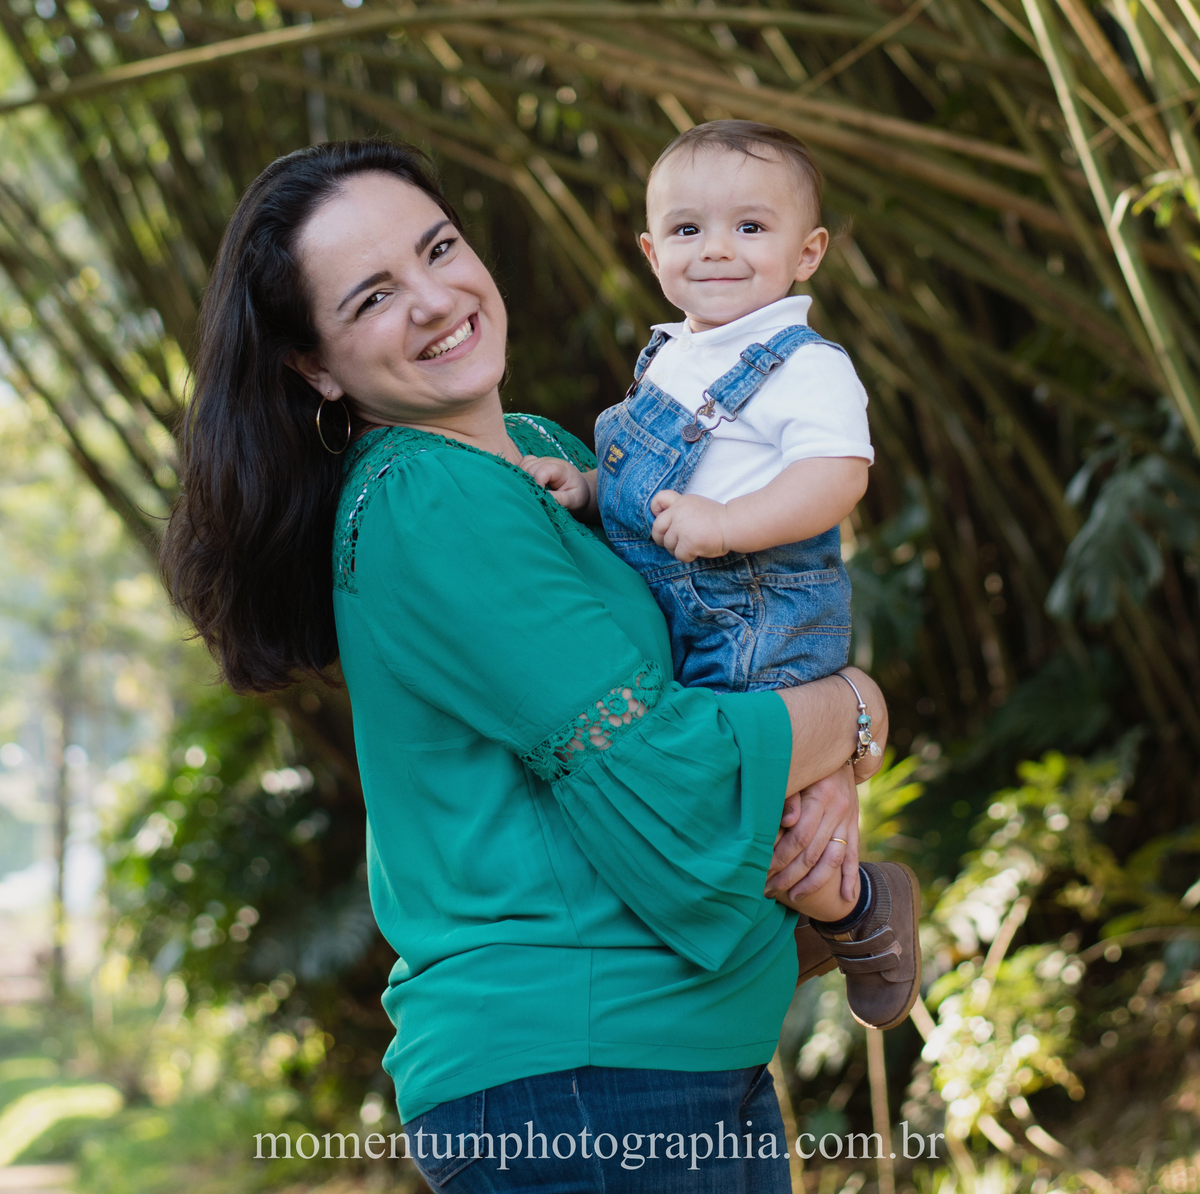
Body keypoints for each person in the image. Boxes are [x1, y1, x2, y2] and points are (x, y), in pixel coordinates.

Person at [162, 138, 891, 1192]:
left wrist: (820, 767)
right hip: (579, 1082)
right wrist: (857, 709)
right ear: (312, 364)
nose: (433, 297)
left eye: (439, 247)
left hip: (662, 1064)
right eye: (371, 297)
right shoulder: (427, 498)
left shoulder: (544, 453)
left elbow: (724, 656)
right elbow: (673, 772)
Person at [520, 121, 920, 1030]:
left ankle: (857, 915)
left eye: (751, 228)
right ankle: (809, 919)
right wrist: (586, 487)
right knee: (696, 785)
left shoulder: (805, 365)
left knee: (748, 800)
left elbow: (837, 477)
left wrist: (732, 524)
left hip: (761, 613)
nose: (718, 250)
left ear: (807, 252)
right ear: (651, 251)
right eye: (690, 230)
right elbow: (650, 486)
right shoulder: (673, 354)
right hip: (684, 611)